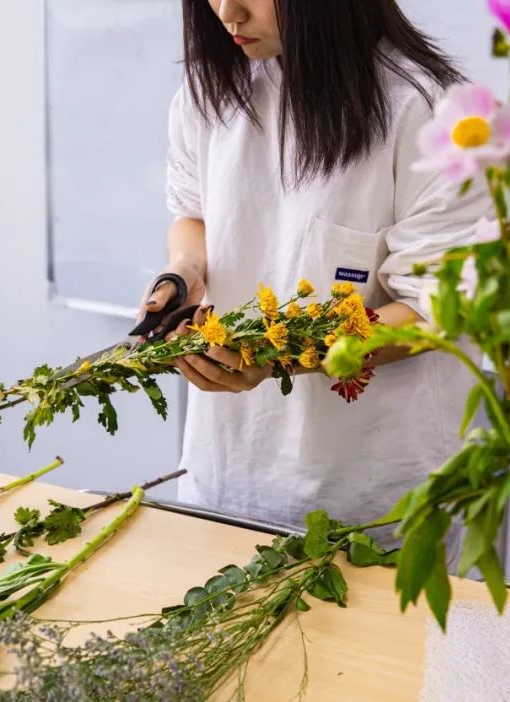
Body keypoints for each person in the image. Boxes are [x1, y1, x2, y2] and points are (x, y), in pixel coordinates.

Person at [138, 0, 490, 549]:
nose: (228, 13)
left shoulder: (429, 114)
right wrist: (185, 270)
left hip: (375, 504)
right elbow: (193, 213)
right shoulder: (210, 92)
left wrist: (278, 357)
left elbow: (433, 310)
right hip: (227, 479)